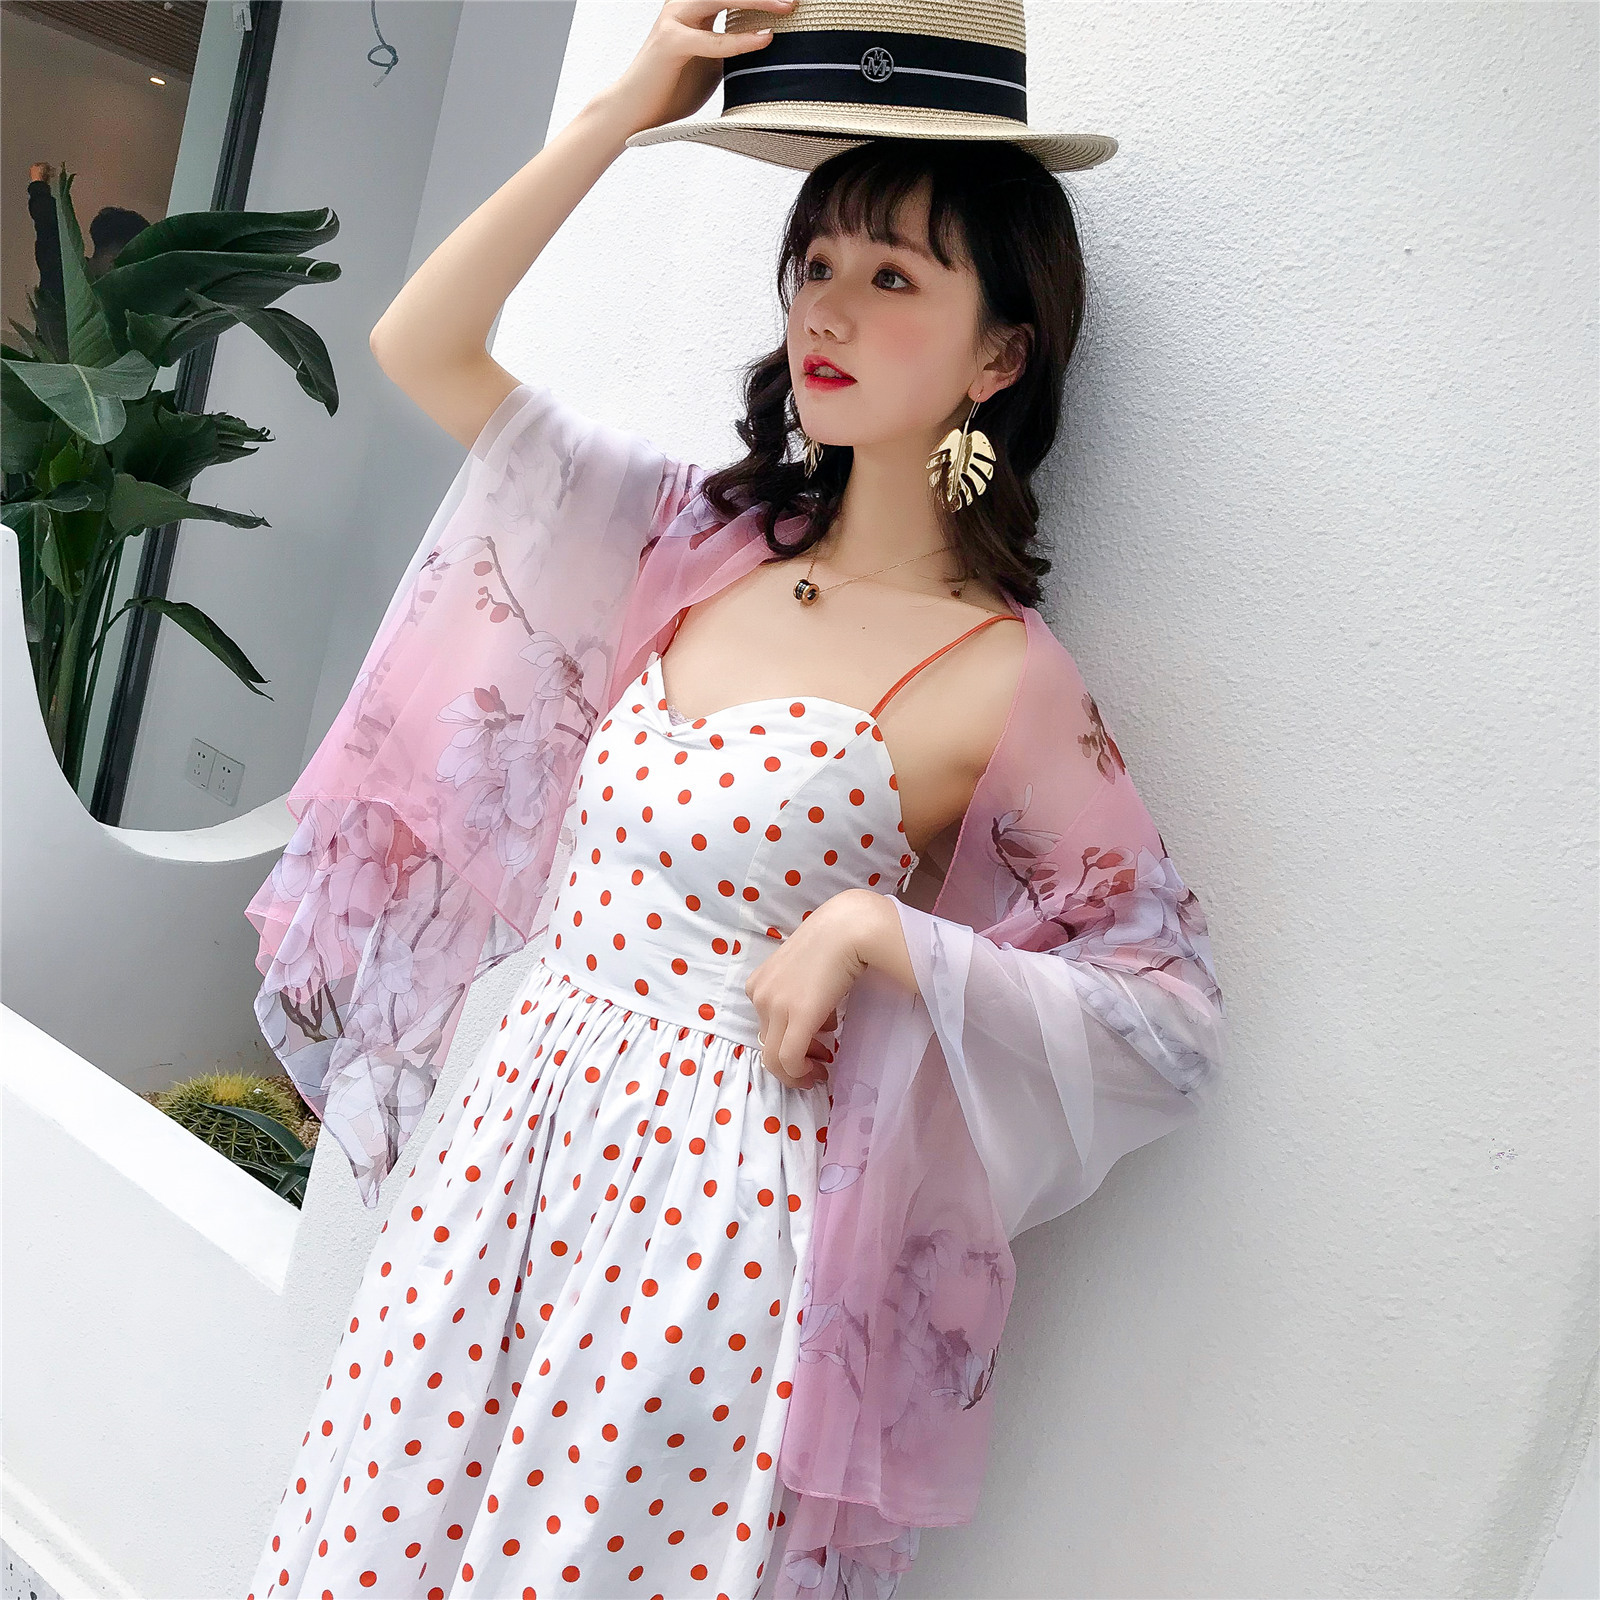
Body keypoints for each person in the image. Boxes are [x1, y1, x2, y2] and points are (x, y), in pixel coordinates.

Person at [242, 3, 1226, 1598]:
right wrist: (625, 109)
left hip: (713, 1235)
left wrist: (884, 936)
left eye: (892, 277)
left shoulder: (1004, 679)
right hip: (512, 1153)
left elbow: (1168, 1013)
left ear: (1002, 354)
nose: (825, 307)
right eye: (815, 262)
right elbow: (422, 341)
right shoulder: (687, 539)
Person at [27, 161, 149, 353]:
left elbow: (47, 225)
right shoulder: (65, 270)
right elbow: (48, 223)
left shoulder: (65, 271)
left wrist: (38, 182)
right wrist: (38, 183)